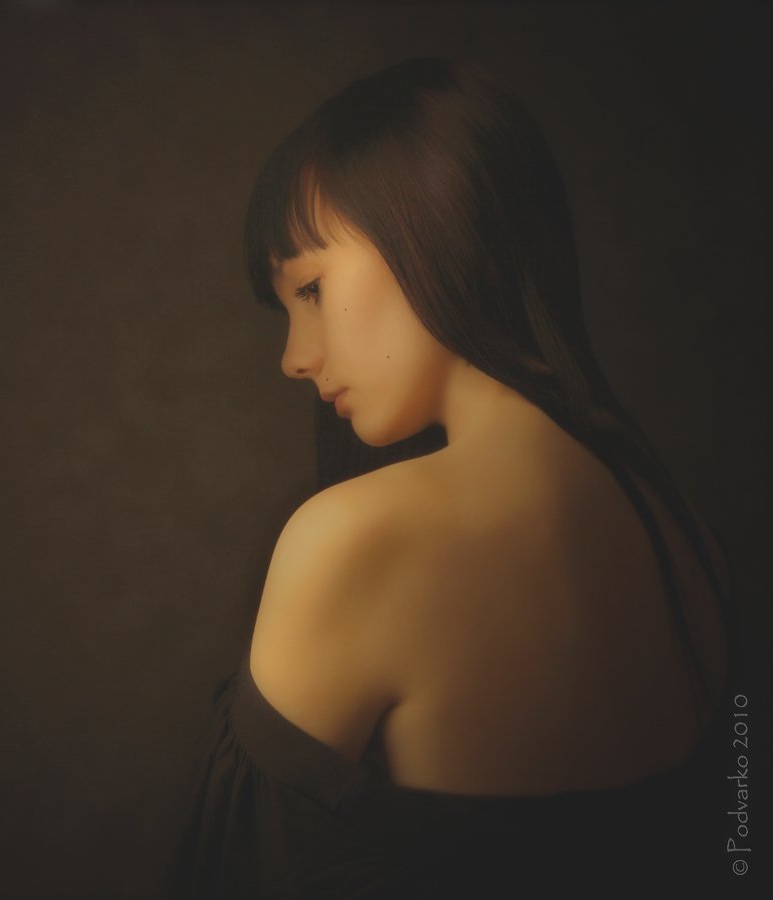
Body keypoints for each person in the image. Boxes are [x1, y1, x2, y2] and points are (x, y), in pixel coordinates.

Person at [171, 57, 741, 898]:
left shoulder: (355, 539)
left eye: (312, 288)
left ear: (437, 229)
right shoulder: (681, 528)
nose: (293, 358)